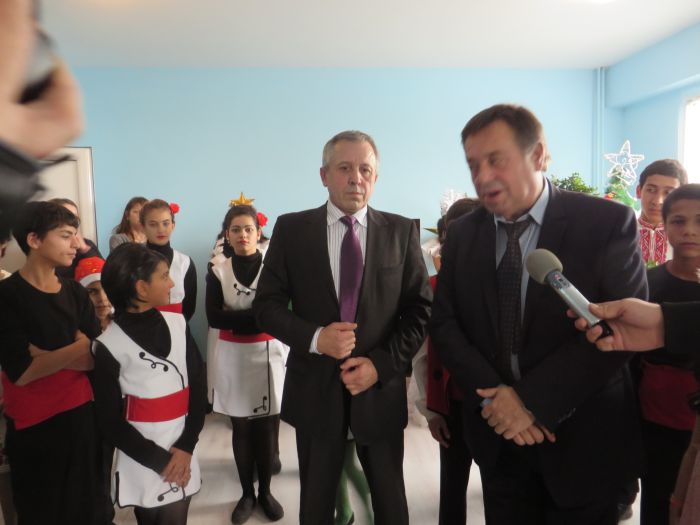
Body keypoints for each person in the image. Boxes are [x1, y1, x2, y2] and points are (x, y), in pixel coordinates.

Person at [430, 104, 648, 524]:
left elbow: (619, 332)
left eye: (496, 159)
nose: (482, 176)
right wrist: (498, 400)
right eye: (473, 165)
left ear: (539, 155)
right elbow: (446, 324)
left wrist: (530, 403)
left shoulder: (606, 223)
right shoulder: (463, 234)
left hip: (583, 439)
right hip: (499, 436)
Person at [253, 130, 432, 525]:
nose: (356, 178)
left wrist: (380, 365)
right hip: (315, 393)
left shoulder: (401, 231)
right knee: (316, 506)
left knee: (391, 505)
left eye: (365, 169)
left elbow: (420, 311)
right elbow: (265, 306)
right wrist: (316, 338)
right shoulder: (292, 229)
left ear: (376, 177)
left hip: (379, 395)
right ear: (324, 175)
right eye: (345, 168)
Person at [0, 201, 101, 524]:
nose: (77, 244)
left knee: (85, 508)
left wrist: (45, 356)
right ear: (34, 240)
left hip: (81, 418)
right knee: (41, 511)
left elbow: (95, 357)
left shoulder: (75, 292)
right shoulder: (7, 295)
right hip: (34, 426)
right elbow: (22, 372)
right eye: (66, 235)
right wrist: (77, 348)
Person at [91, 243, 206, 525]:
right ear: (142, 289)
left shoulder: (178, 324)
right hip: (142, 457)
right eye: (164, 276)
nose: (172, 283)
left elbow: (198, 386)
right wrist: (162, 462)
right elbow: (109, 421)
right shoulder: (107, 345)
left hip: (183, 446)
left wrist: (187, 446)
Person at [205, 203, 286, 523]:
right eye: (236, 229)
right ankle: (246, 493)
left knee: (266, 428)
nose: (242, 235)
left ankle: (265, 491)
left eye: (248, 229)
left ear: (258, 232)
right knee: (240, 427)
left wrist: (238, 318)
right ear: (227, 234)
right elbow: (214, 317)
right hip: (233, 356)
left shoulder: (274, 268)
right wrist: (259, 317)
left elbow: (280, 311)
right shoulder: (218, 270)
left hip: (268, 355)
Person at [635, 184, 700, 525]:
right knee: (659, 501)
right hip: (657, 421)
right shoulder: (647, 283)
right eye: (678, 221)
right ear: (664, 225)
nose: (689, 230)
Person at [413, 197, 479, 525]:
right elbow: (422, 358)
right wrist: (431, 412)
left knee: (503, 488)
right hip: (453, 405)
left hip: (500, 406)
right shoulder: (433, 289)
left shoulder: (504, 285)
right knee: (452, 485)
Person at [140, 199, 197, 321]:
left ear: (173, 225)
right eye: (153, 224)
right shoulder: (134, 261)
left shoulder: (185, 262)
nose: (161, 229)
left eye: (165, 223)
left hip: (178, 327)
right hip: (142, 327)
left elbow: (189, 307)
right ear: (143, 227)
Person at [636, 159, 688, 268]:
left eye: (668, 193)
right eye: (651, 190)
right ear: (639, 191)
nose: (657, 201)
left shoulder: (689, 239)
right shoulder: (620, 233)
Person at [50, 197, 103, 279]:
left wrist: (85, 249)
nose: (73, 221)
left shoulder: (87, 243)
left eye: (76, 218)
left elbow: (104, 274)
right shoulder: (51, 244)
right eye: (68, 217)